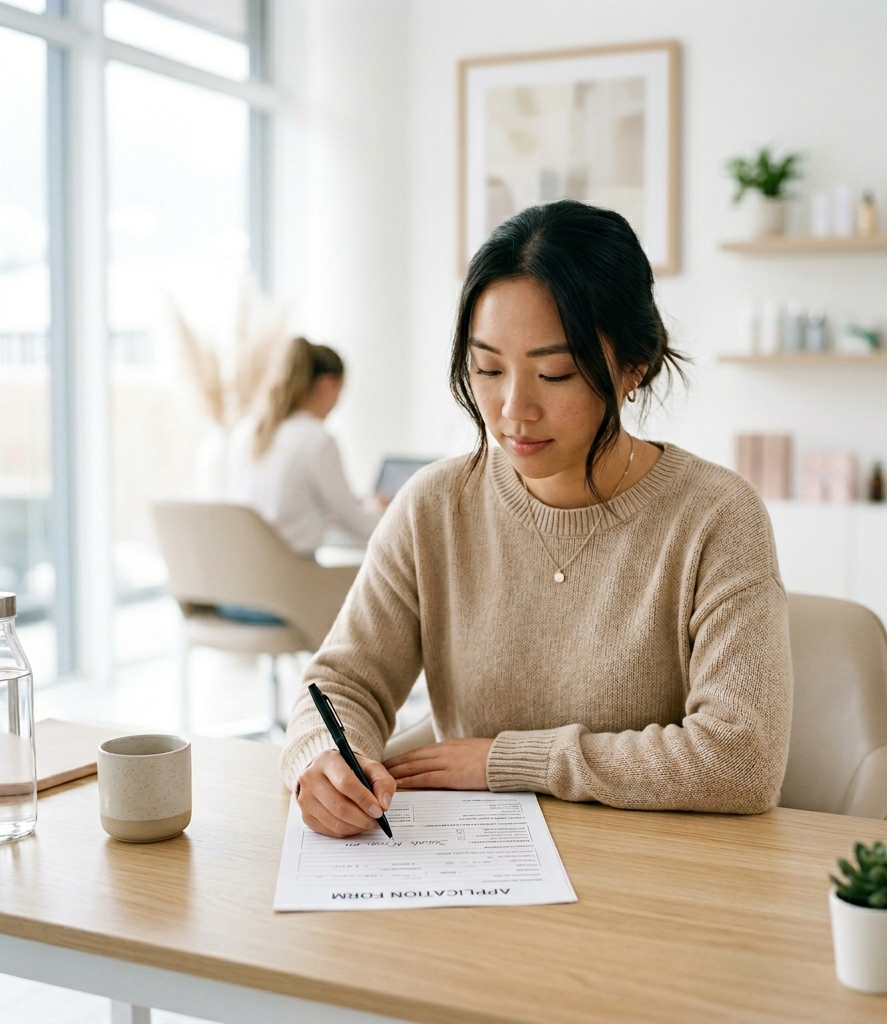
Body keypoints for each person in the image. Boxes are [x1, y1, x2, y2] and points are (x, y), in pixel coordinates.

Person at [281, 200, 793, 838]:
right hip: (474, 872)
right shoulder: (434, 506)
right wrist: (322, 758)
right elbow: (339, 684)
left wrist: (510, 760)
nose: (513, 410)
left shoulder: (716, 516)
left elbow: (739, 759)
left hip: (655, 881)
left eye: (554, 373)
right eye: (488, 369)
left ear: (636, 365)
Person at [226, 337, 382, 555]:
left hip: (248, 573)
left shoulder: (246, 432)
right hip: (294, 577)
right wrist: (390, 516)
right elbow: (360, 525)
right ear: (327, 384)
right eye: (341, 390)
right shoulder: (317, 441)